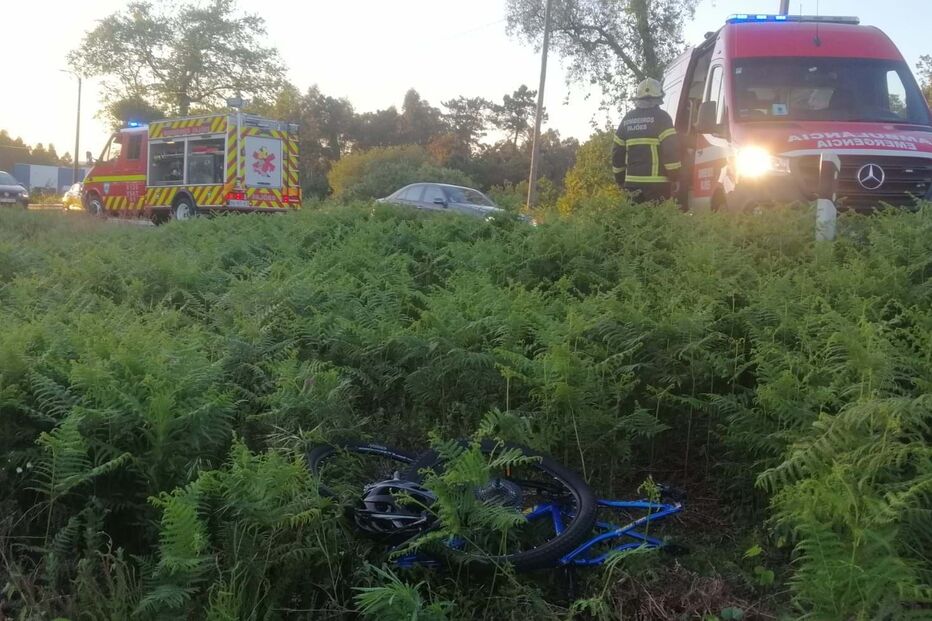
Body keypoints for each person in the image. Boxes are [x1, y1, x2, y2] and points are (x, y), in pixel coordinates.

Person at [612, 78, 682, 204]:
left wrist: (620, 180)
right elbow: (671, 151)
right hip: (657, 186)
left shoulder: (627, 119)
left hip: (632, 185)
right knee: (658, 222)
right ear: (658, 98)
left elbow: (617, 152)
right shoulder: (662, 118)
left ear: (638, 99)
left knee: (636, 221)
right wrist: (675, 177)